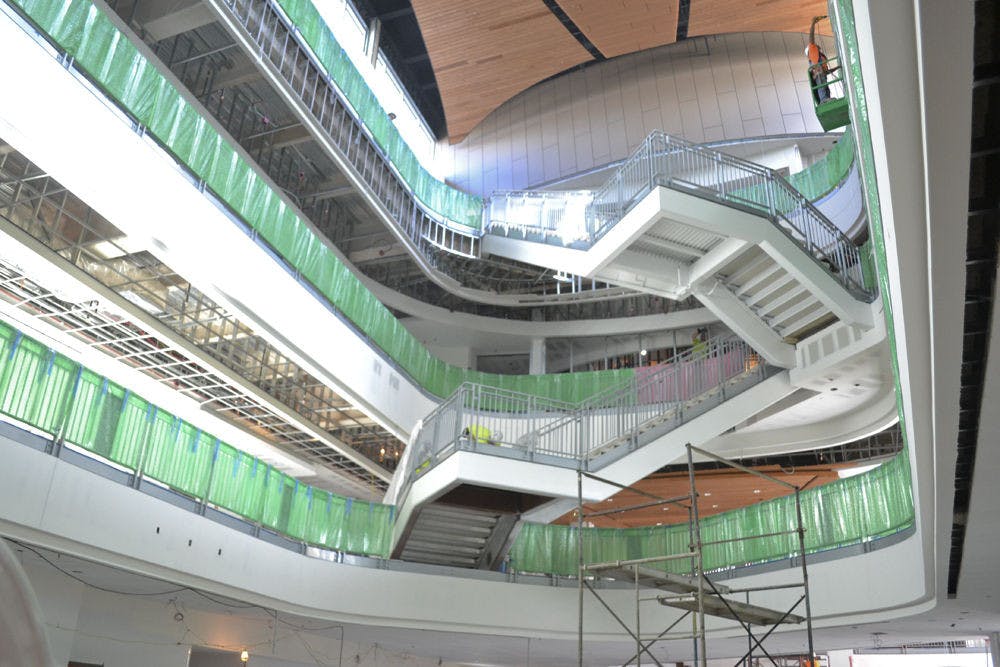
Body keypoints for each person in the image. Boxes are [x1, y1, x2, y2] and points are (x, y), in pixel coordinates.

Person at [806, 16, 840, 104]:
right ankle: (824, 100)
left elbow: (826, 71)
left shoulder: (820, 56)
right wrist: (813, 23)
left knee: (824, 87)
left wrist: (838, 67)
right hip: (820, 75)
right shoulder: (813, 52)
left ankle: (826, 99)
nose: (816, 44)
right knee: (822, 86)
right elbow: (811, 38)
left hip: (822, 75)